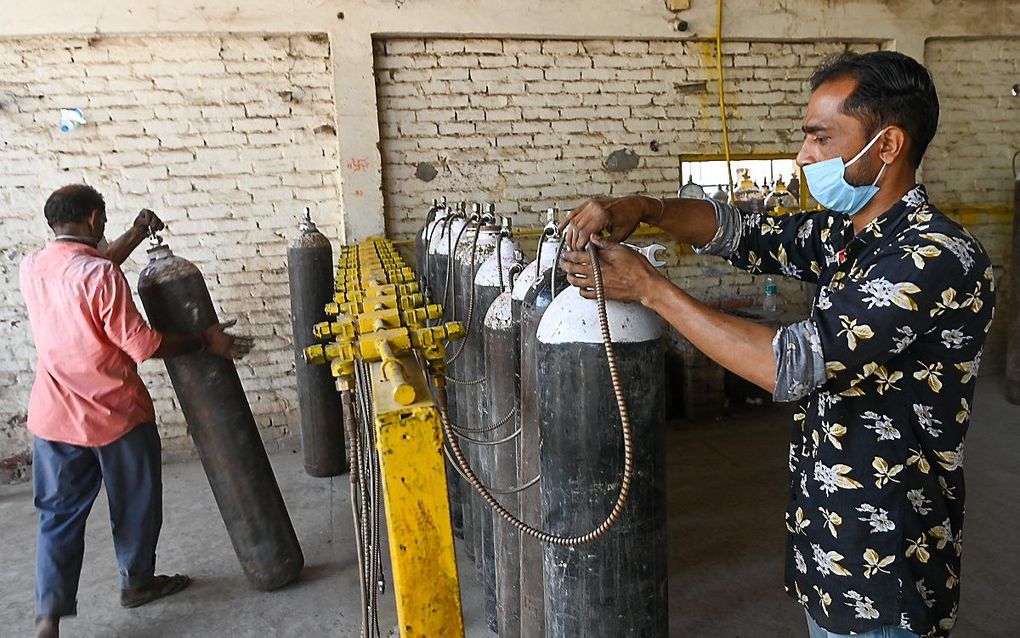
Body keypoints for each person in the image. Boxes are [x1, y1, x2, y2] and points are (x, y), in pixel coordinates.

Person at [560, 51, 994, 638]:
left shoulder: (933, 255)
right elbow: (737, 231)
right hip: (830, 535)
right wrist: (647, 208)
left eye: (820, 138)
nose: (803, 156)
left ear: (887, 145)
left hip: (889, 556)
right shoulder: (848, 233)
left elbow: (791, 364)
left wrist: (651, 290)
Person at [20, 184, 254, 638]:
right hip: (114, 416)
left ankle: (47, 618)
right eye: (104, 221)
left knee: (59, 516)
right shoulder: (101, 277)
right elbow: (143, 345)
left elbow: (87, 271)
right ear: (93, 220)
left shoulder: (33, 266)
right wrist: (207, 340)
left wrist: (135, 232)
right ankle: (138, 584)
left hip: (53, 417)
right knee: (135, 506)